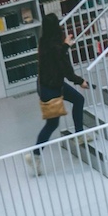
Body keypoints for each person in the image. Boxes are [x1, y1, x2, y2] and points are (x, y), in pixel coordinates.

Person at [34, 16, 90, 145]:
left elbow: (54, 57)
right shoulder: (56, 47)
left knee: (78, 99)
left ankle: (79, 134)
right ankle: (35, 152)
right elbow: (67, 71)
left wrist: (65, 46)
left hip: (46, 84)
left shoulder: (44, 41)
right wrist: (81, 81)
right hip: (51, 88)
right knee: (52, 124)